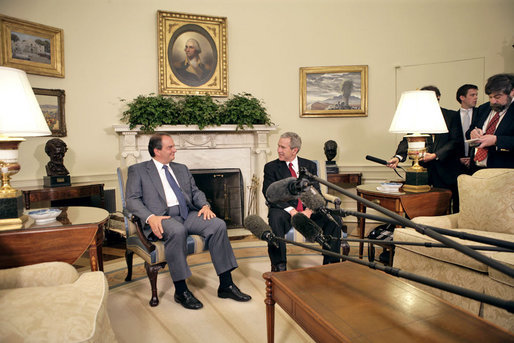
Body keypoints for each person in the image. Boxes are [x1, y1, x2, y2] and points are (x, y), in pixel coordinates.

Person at [125, 133, 251, 310]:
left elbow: (195, 192)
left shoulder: (181, 168)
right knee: (177, 231)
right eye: (170, 147)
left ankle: (226, 285)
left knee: (218, 225)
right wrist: (150, 217)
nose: (175, 149)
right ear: (157, 151)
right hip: (162, 217)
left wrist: (205, 206)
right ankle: (181, 290)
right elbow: (131, 200)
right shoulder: (138, 170)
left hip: (187, 214)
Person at [262, 132, 342, 272]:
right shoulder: (271, 167)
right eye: (278, 146)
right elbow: (269, 195)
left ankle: (331, 265)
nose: (278, 150)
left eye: (283, 147)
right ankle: (279, 267)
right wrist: (292, 211)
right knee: (275, 217)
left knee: (334, 219)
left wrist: (309, 211)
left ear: (294, 150)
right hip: (285, 212)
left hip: (308, 212)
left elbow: (316, 193)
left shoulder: (309, 166)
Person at [387, 86, 462, 212]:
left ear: (437, 97)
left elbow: (455, 141)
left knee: (444, 206)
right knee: (419, 205)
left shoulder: (451, 116)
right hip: (422, 171)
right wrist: (398, 157)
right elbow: (407, 139)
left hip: (445, 170)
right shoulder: (416, 117)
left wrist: (435, 155)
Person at [466, 73, 514, 171]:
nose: (493, 101)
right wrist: (473, 133)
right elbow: (469, 131)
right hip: (476, 168)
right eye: (490, 97)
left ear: (512, 92)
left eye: (497, 97)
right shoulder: (483, 108)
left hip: (503, 172)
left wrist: (496, 140)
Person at [455, 84, 479, 174]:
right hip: (457, 162)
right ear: (462, 97)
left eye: (476, 95)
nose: (476, 98)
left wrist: (472, 157)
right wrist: (458, 158)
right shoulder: (453, 116)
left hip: (477, 161)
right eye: (472, 95)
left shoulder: (480, 114)